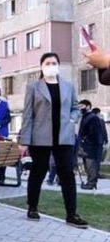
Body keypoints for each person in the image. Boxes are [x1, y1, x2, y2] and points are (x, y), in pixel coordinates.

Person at [19, 52, 88, 228]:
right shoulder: (34, 87)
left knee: (67, 174)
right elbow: (28, 115)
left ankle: (71, 214)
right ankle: (32, 207)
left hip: (63, 136)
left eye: (54, 62)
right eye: (47, 63)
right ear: (41, 67)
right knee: (39, 171)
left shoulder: (68, 86)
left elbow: (75, 107)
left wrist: (72, 119)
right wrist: (24, 140)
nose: (51, 65)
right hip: (40, 137)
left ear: (58, 65)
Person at [77, 100, 104, 190]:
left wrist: (85, 140)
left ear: (88, 106)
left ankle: (91, 183)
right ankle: (90, 182)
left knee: (90, 164)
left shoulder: (92, 117)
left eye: (82, 106)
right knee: (87, 164)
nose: (80, 108)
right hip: (86, 145)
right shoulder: (85, 117)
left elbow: (93, 132)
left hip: (91, 146)